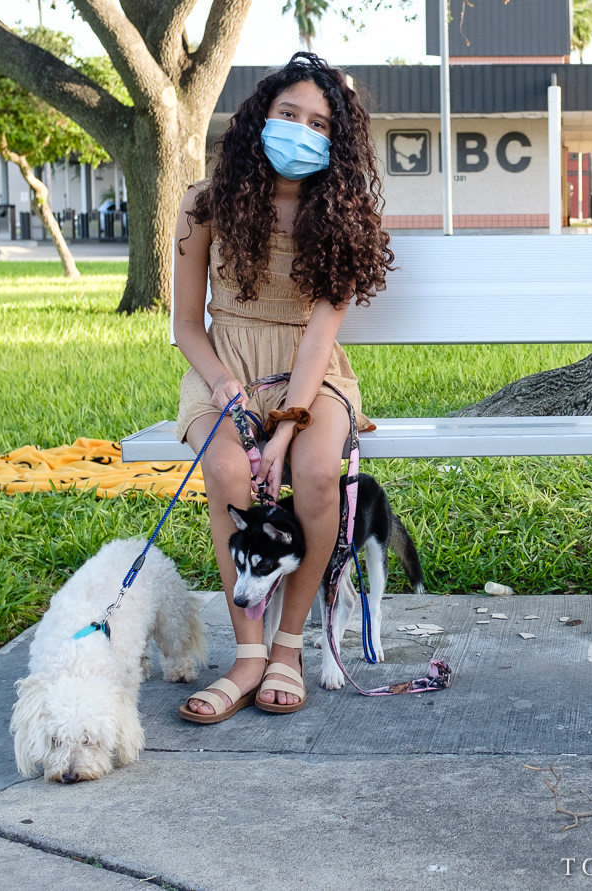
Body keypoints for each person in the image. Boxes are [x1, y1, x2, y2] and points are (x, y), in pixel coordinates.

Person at [173, 53, 392, 723]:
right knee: (228, 470)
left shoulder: (343, 220)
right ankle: (246, 656)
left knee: (319, 472)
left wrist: (288, 428)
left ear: (337, 142)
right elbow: (184, 325)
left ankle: (288, 646)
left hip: (310, 376)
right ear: (260, 118)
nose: (300, 129)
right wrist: (224, 389)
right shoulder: (205, 202)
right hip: (226, 368)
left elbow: (320, 338)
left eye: (318, 123)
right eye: (288, 115)